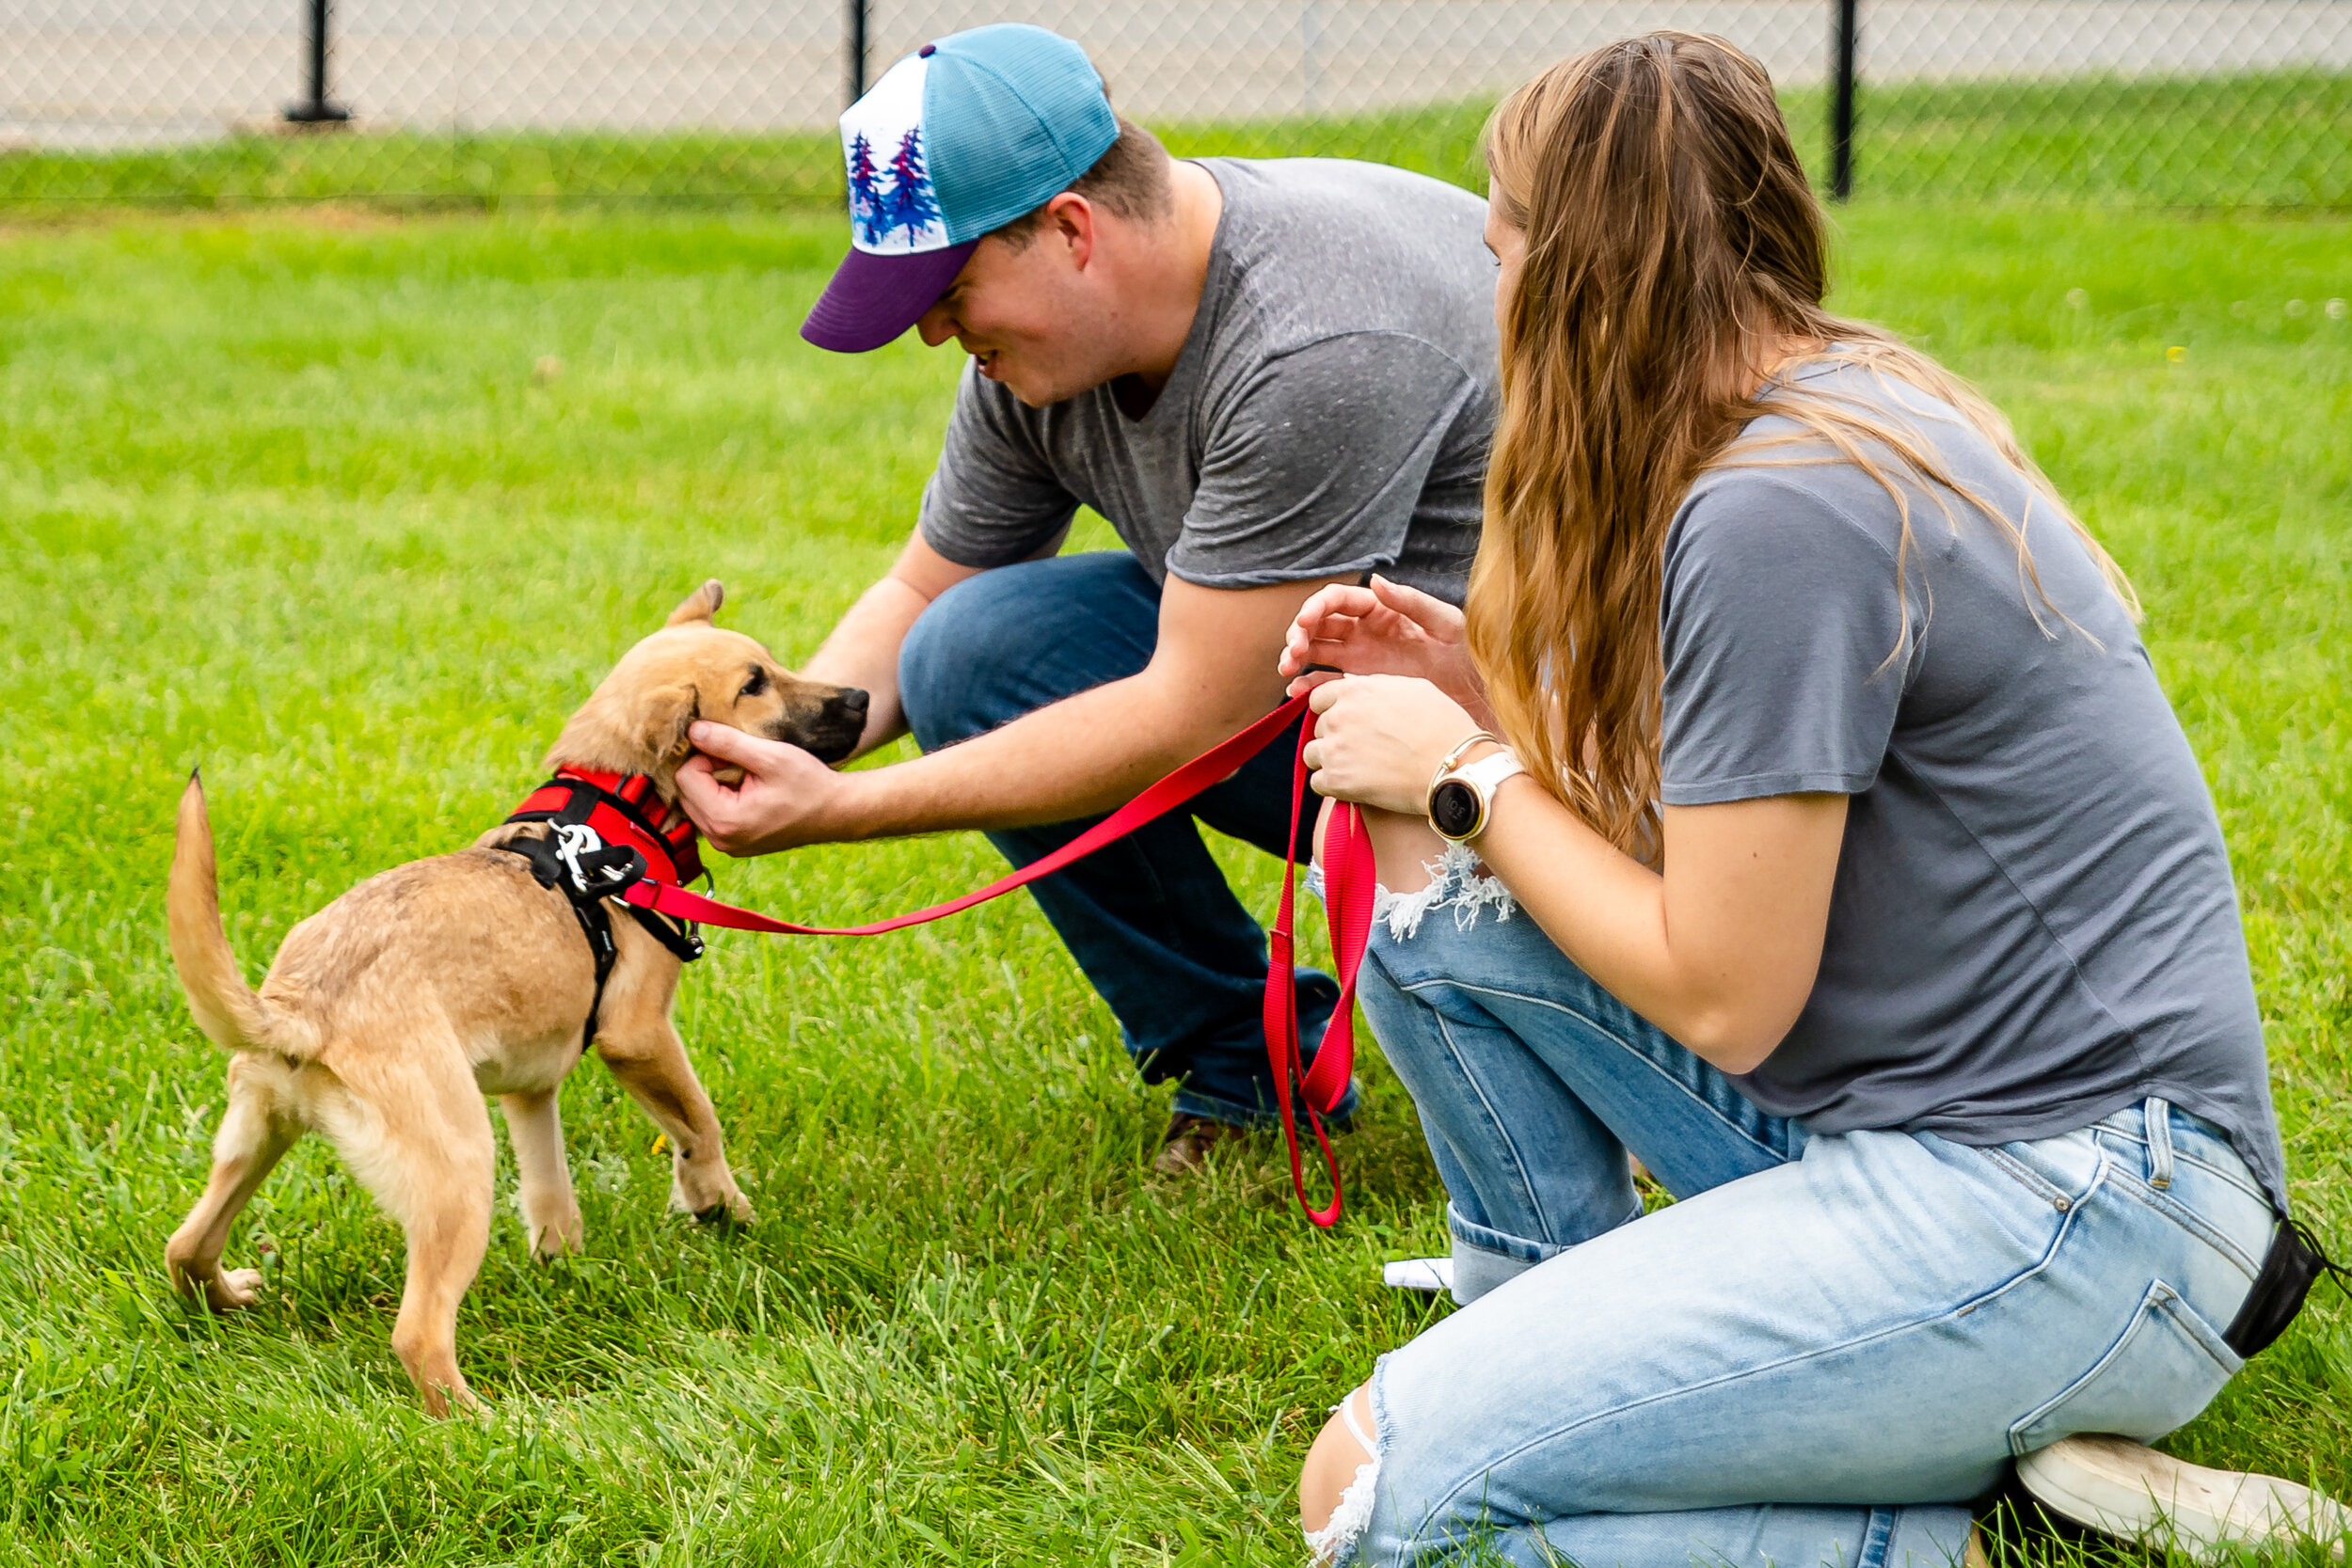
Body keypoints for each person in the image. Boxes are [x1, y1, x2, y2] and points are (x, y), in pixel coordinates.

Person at [1279, 32, 2340, 1568]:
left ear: (1577, 270)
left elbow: (1724, 987)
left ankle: (1942, 1542)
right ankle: (1556, 1326)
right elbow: (1712, 838)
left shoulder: (1786, 508)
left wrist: (1466, 770)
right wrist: (1481, 699)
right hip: (1968, 1149)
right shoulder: (1829, 402)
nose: (1485, 278)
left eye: (1497, 240)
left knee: (1385, 1503)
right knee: (1458, 901)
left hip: (2086, 1211)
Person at [676, 24, 1499, 1173]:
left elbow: (1190, 715)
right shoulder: (1048, 349)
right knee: (974, 646)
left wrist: (835, 811)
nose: (930, 330)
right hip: (1358, 697)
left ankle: (1590, 1023)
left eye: (949, 287)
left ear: (1071, 230)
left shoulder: (1316, 339)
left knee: (1042, 673)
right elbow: (927, 585)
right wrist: (749, 739)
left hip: (1574, 758)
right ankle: (1251, 1058)